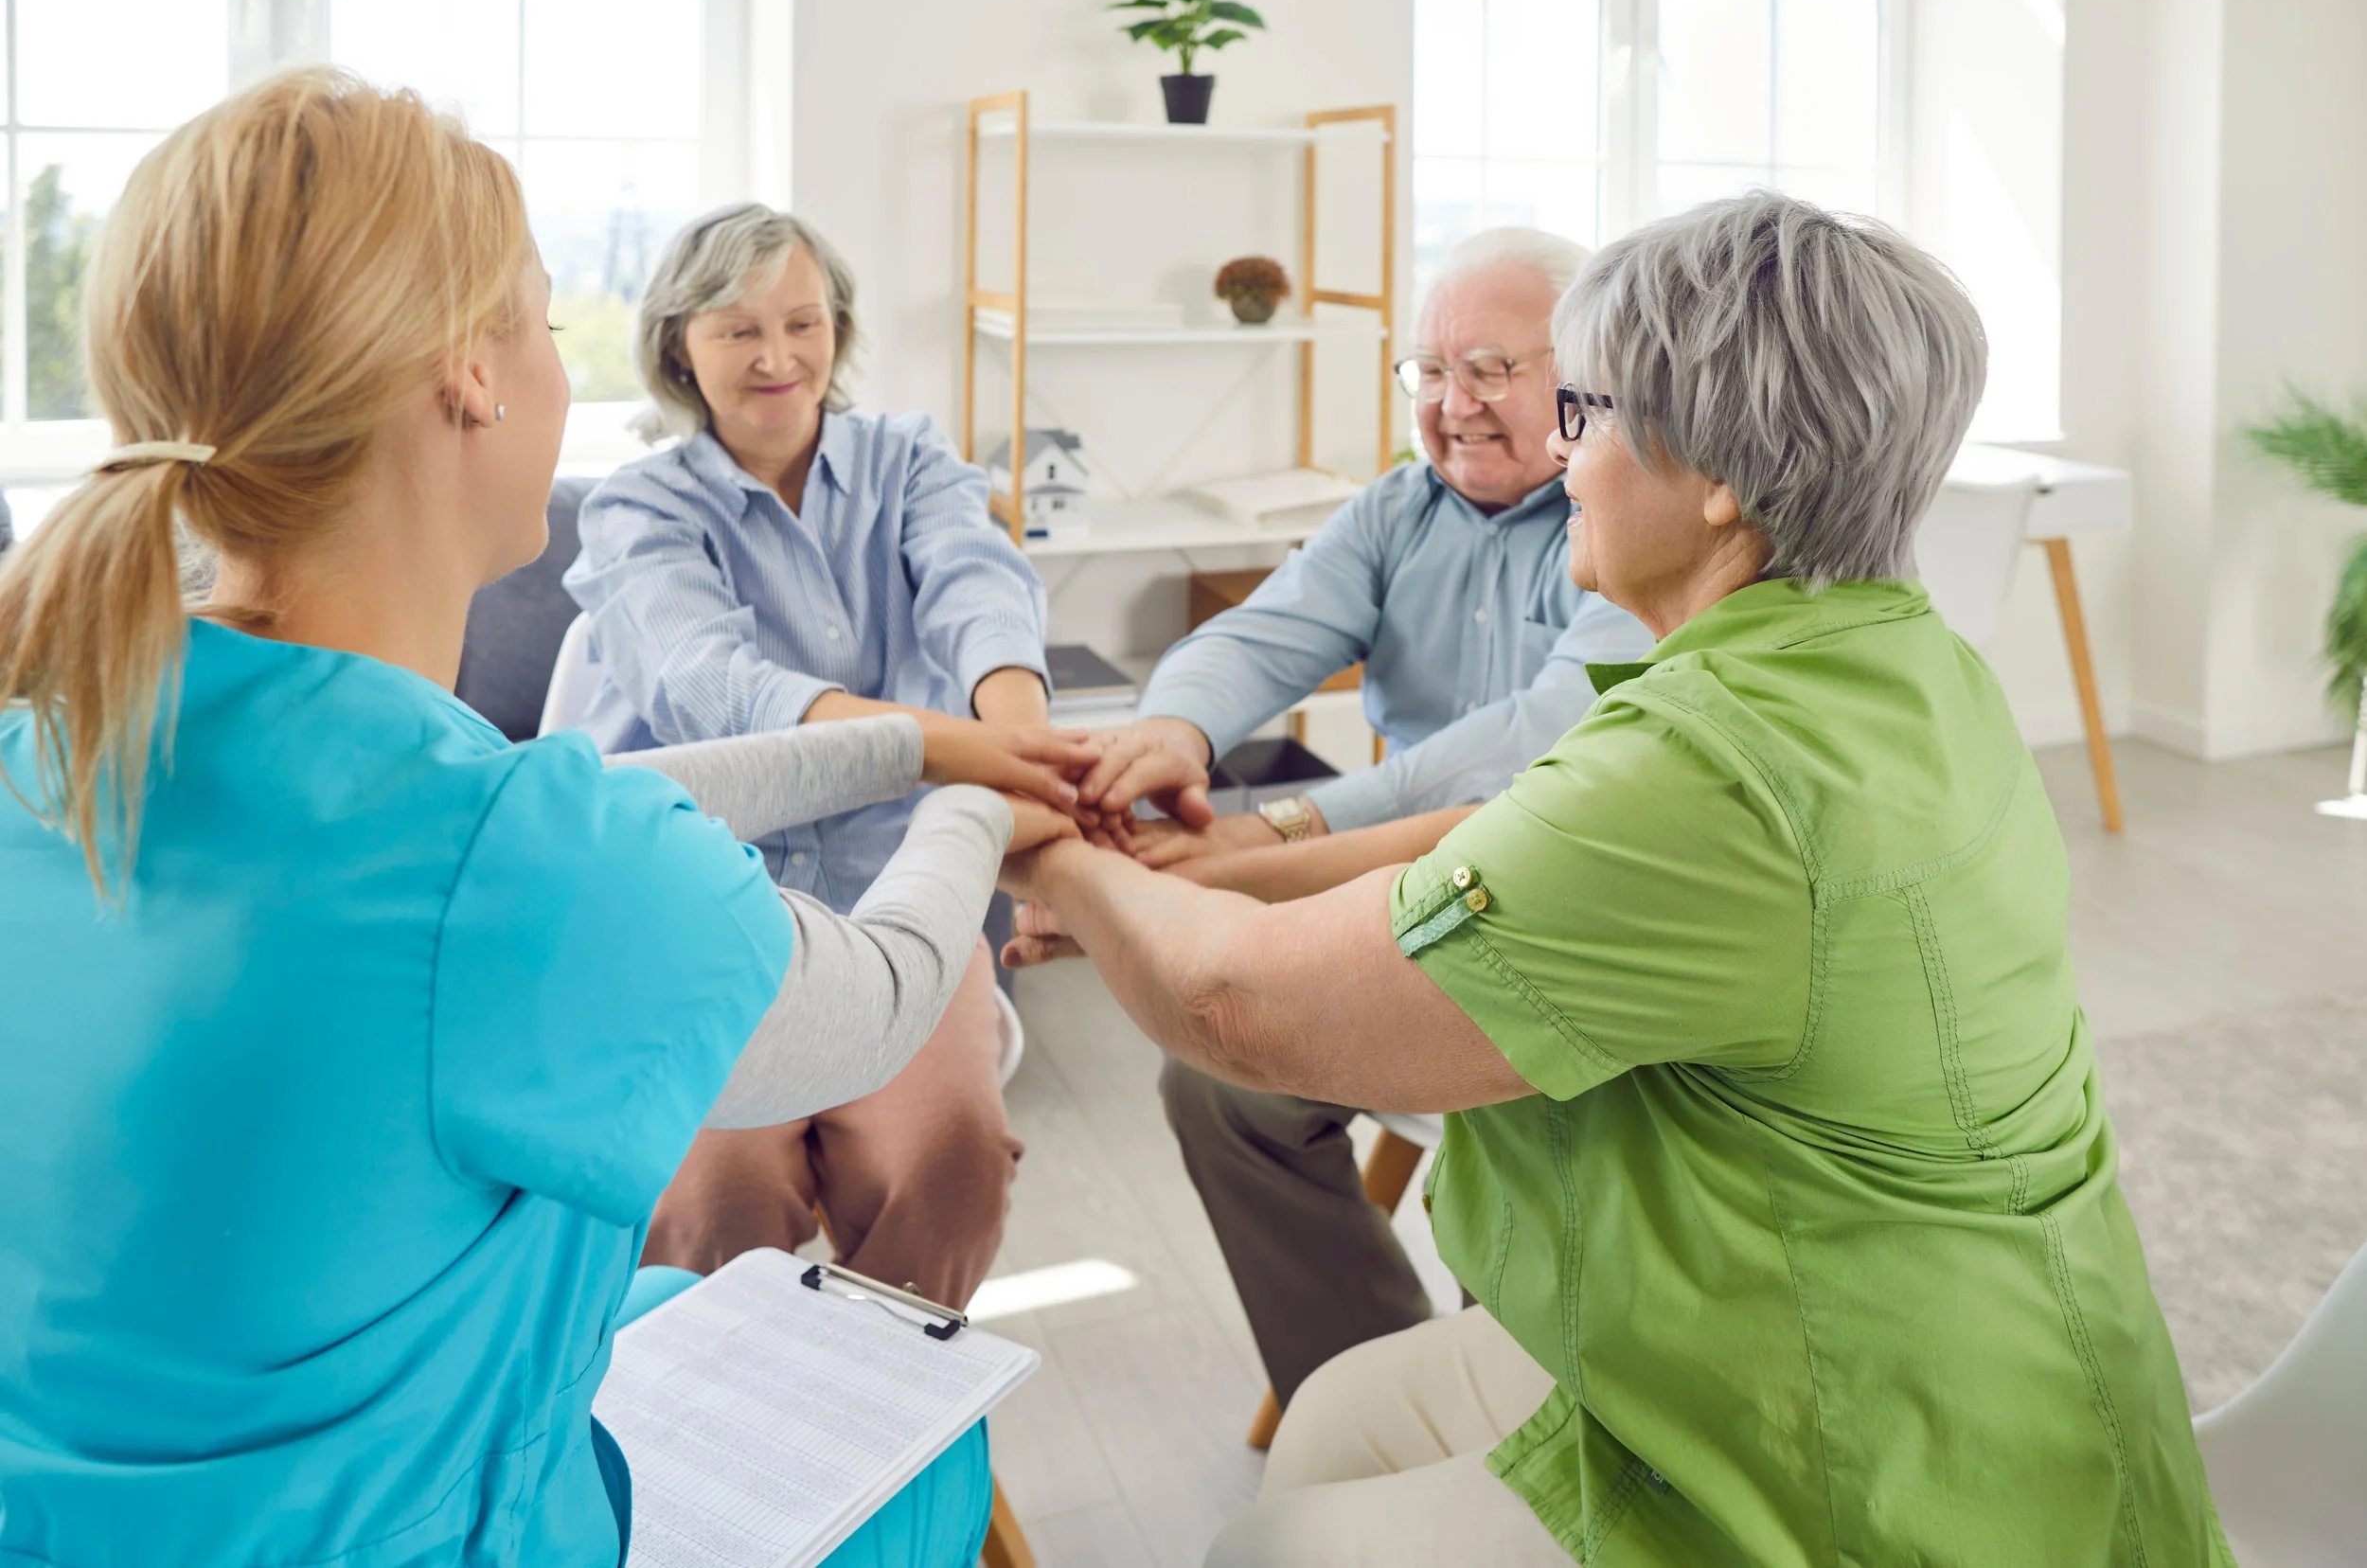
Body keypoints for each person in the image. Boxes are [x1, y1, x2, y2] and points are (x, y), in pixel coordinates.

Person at [1000, 192, 2233, 1565]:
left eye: (1580, 413)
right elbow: (1499, 831)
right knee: (1335, 1425)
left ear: (1714, 473)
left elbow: (1233, 1003)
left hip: (1878, 1456)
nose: (1562, 457)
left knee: (1269, 1547)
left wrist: (1045, 845)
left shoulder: (1712, 763)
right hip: (1918, 1336)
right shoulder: (1886, 656)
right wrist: (1223, 853)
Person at [0, 69, 1075, 1566]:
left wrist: (909, 746)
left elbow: (533, 826)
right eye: (539, 312)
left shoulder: (66, 729)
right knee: (923, 1452)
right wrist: (986, 789)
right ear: (469, 375)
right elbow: (884, 994)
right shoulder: (527, 860)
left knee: (679, 1298)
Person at [1076, 225, 1652, 1407]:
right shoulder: (1398, 511)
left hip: (1568, 924)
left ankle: (1532, 1420)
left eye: (1490, 369)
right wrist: (1176, 733)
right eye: (1430, 373)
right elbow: (1259, 635)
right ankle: (1376, 1398)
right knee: (1220, 1085)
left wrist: (1274, 837)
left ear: (1585, 374)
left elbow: (1529, 751)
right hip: (1404, 906)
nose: (1453, 406)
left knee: (1523, 1118)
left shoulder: (1631, 514)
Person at [565, 204, 1067, 1309]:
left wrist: (1023, 748)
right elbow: (714, 688)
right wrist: (951, 748)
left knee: (951, 1171)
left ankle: (879, 1420)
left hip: (902, 910)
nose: (778, 357)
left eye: (803, 322)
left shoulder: (910, 461)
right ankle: (741, 1437)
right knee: (710, 1205)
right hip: (712, 918)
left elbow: (978, 582)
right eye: (738, 330)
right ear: (677, 349)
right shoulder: (637, 507)